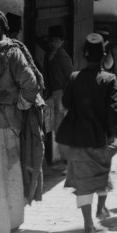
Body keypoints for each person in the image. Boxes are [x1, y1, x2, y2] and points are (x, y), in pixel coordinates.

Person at [0, 4, 46, 233]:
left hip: (5, 126)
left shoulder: (11, 53)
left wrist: (15, 105)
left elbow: (31, 86)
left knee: (3, 174)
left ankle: (5, 223)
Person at [56, 34, 117, 233]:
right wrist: (116, 136)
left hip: (78, 140)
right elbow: (115, 110)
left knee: (83, 182)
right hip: (101, 139)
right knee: (102, 175)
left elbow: (64, 105)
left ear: (84, 55)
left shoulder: (74, 77)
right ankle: (101, 207)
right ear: (103, 55)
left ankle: (87, 223)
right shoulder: (109, 79)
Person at [39, 25, 74, 168]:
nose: (53, 43)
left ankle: (68, 161)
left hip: (62, 94)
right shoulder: (50, 55)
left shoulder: (63, 56)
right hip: (53, 94)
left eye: (56, 41)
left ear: (62, 42)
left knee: (62, 128)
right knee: (55, 127)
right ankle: (62, 159)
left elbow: (70, 77)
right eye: (51, 41)